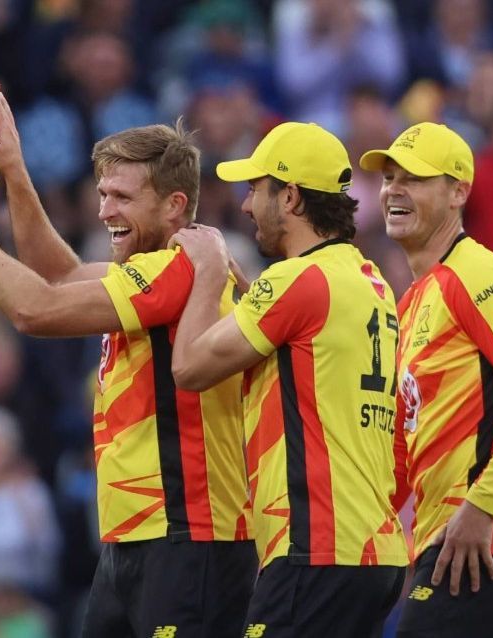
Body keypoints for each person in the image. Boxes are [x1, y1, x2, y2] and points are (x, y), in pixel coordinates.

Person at [0, 92, 256, 637]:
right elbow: (56, 272)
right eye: (102, 194)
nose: (103, 211)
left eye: (121, 196)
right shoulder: (153, 268)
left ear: (173, 205)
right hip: (137, 537)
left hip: (190, 537)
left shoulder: (179, 270)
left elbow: (34, 308)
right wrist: (15, 171)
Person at [168, 122, 409, 637]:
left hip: (315, 547)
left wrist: (209, 270)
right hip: (374, 550)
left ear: (292, 197)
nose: (246, 206)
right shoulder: (370, 281)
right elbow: (303, 342)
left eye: (255, 189)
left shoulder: (294, 280)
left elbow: (188, 368)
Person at [359, 122, 493, 637]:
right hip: (456, 536)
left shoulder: (474, 272)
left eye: (414, 179)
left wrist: (482, 507)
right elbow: (406, 441)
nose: (394, 189)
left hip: (483, 536)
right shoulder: (415, 299)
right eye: (390, 178)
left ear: (458, 192)